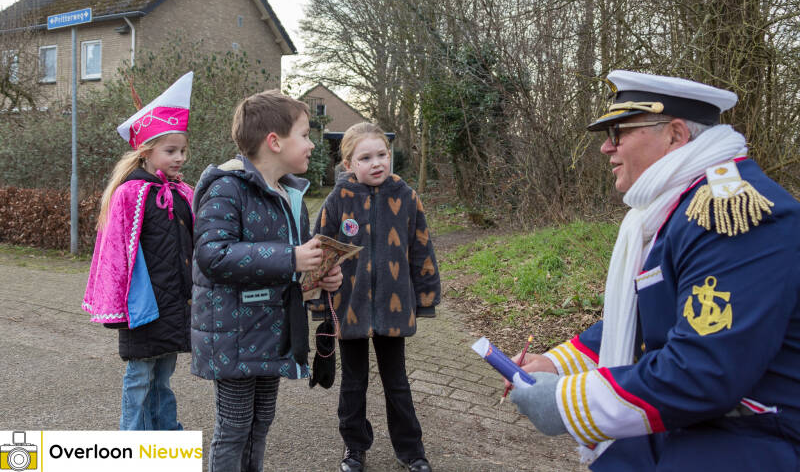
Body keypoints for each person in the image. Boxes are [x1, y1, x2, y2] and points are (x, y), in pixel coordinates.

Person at [508, 70, 800, 471]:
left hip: (759, 435)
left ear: (676, 135)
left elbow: (704, 371)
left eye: (619, 131)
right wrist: (558, 365)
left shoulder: (730, 214)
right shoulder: (677, 205)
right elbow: (650, 316)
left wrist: (566, 401)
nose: (606, 147)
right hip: (701, 423)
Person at [191, 90, 343, 472]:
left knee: (261, 424)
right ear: (274, 142)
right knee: (234, 427)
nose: (312, 145)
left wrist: (318, 277)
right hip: (234, 334)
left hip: (274, 330)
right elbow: (213, 255)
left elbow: (292, 274)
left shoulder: (290, 194)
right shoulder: (227, 187)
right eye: (305, 135)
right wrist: (291, 256)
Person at [309, 122, 441, 472]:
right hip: (349, 307)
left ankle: (411, 451)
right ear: (349, 164)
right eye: (365, 157)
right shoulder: (337, 200)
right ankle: (354, 448)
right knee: (354, 383)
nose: (377, 163)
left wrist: (425, 296)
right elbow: (318, 251)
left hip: (393, 307)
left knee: (397, 381)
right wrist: (318, 302)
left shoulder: (407, 197)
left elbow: (421, 248)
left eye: (382, 154)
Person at [83, 72, 195, 430]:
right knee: (139, 379)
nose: (179, 158)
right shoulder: (131, 193)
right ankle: (133, 443)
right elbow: (117, 255)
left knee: (163, 378)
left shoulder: (182, 193)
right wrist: (119, 306)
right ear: (146, 152)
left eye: (182, 151)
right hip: (143, 308)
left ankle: (165, 441)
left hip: (174, 304)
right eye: (170, 151)